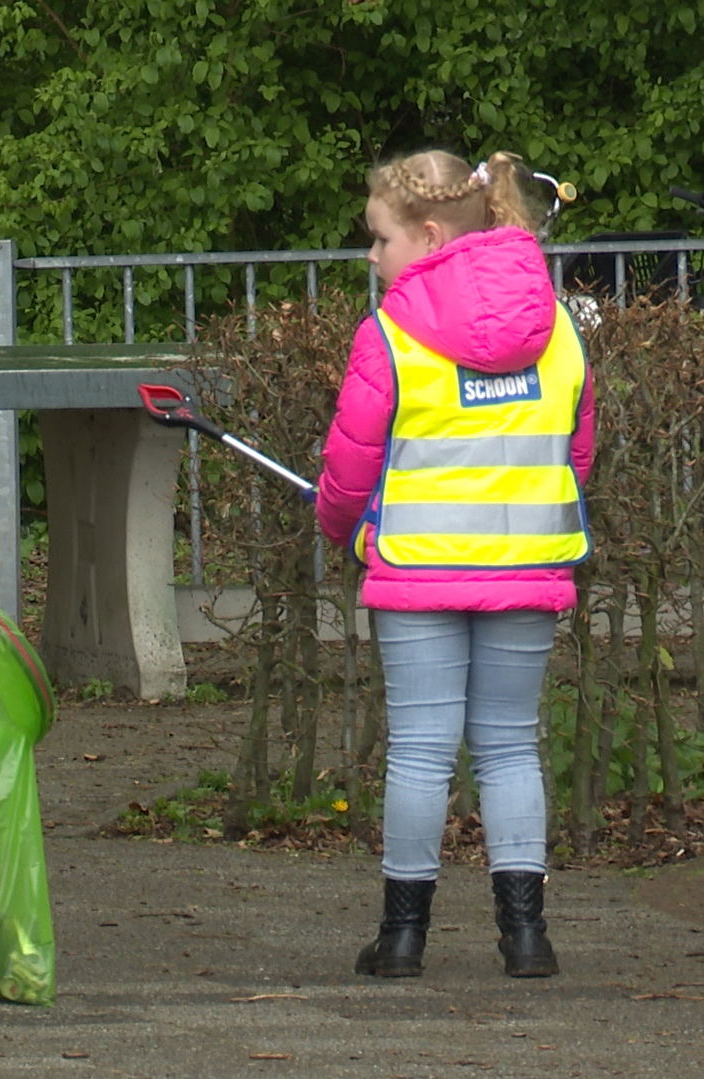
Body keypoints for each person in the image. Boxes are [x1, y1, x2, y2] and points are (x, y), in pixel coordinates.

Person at [317, 149, 595, 979]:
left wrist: (344, 527)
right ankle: (525, 938)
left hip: (415, 569)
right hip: (527, 564)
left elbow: (348, 465)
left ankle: (402, 938)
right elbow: (573, 457)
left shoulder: (389, 334)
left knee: (418, 750)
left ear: (428, 235)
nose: (371, 257)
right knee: (511, 747)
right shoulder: (559, 330)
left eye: (379, 238)